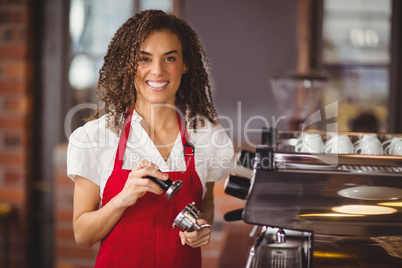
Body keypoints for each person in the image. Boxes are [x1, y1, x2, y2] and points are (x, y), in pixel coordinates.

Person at [67, 9, 234, 268]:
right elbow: (83, 234)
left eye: (169, 58)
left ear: (185, 63)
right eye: (144, 59)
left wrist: (201, 223)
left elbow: (206, 201)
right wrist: (123, 198)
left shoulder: (206, 135)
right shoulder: (97, 137)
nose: (157, 71)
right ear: (128, 64)